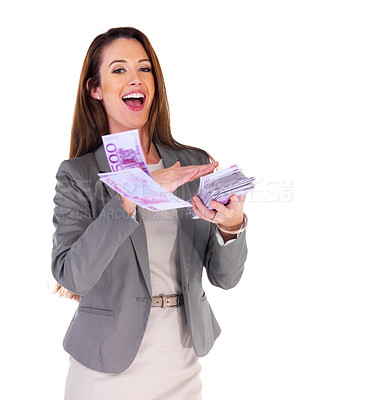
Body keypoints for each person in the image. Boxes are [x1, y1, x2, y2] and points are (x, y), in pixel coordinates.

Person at [51, 27, 248, 400]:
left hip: (181, 360)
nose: (136, 78)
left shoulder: (192, 164)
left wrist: (231, 227)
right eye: (119, 70)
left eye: (144, 68)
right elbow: (73, 276)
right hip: (104, 366)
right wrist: (136, 193)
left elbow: (225, 278)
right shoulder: (77, 175)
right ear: (95, 89)